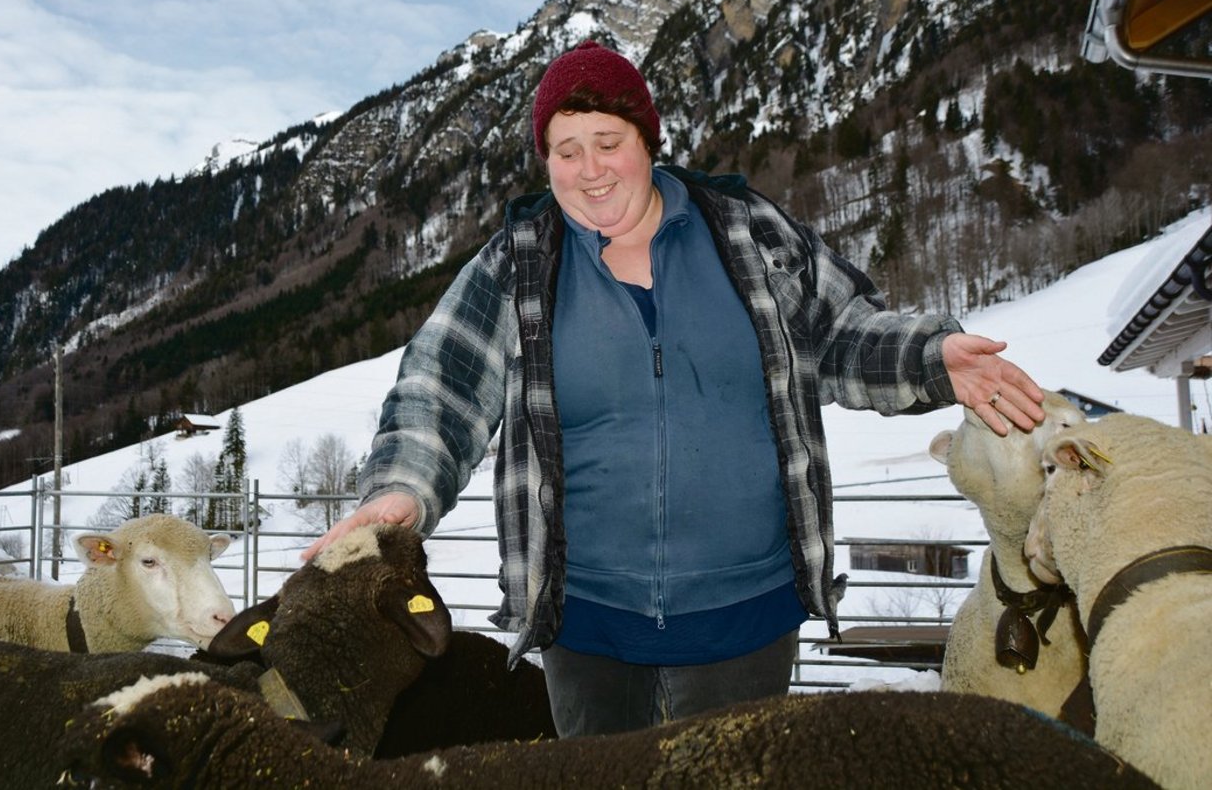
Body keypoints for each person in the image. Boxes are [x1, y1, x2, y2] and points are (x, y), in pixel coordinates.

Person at [303, 39, 1045, 737]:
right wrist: (401, 488)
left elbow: (843, 334)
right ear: (545, 162)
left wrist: (932, 357)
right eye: (566, 150)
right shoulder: (518, 264)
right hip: (588, 623)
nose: (590, 169)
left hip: (745, 618)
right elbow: (442, 389)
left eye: (608, 143)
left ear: (648, 142)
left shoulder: (747, 234)